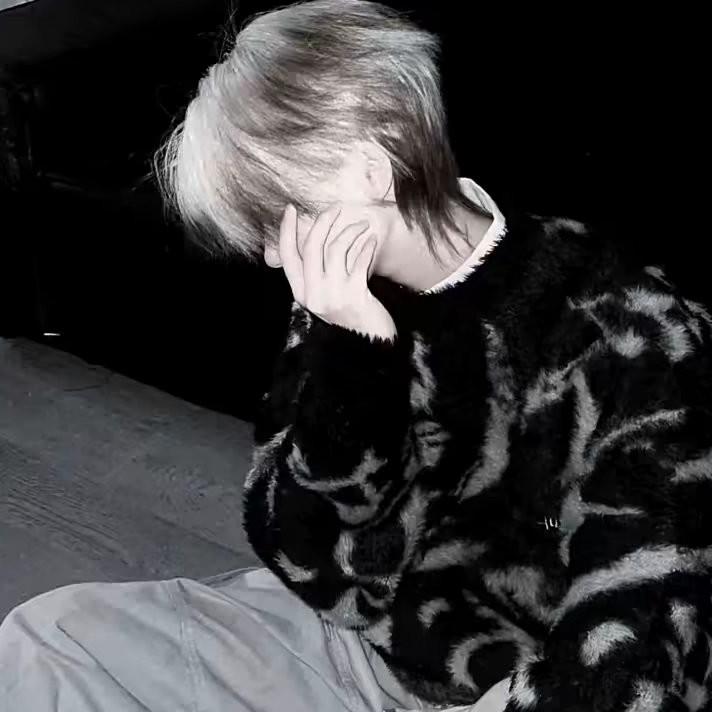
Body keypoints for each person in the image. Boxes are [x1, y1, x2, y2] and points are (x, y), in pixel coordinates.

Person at [2, 1, 712, 711]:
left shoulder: (636, 340)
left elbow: (634, 655)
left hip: (521, 685)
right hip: (362, 639)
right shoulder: (341, 296)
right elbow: (305, 556)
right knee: (50, 640)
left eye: (272, 218)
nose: (273, 256)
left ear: (371, 172)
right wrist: (354, 364)